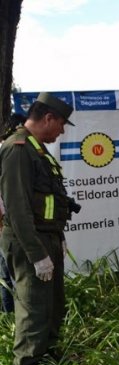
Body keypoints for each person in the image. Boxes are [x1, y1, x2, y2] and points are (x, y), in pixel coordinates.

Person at [0, 92, 76, 365]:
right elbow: (17, 209)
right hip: (28, 243)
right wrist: (36, 253)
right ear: (48, 118)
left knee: (53, 303)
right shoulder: (18, 150)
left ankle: (47, 357)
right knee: (33, 307)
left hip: (48, 238)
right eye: (61, 125)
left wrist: (58, 238)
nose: (62, 130)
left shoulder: (36, 149)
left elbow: (45, 202)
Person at [0, 114, 26, 313]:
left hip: (6, 223)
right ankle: (11, 318)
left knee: (6, 276)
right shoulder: (10, 151)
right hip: (5, 225)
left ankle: (9, 318)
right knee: (9, 276)